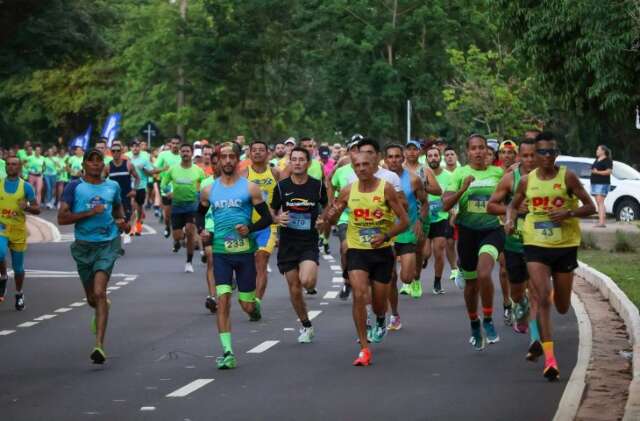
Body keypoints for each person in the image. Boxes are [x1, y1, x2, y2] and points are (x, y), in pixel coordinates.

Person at [507, 131, 595, 380]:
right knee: (543, 298)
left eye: (552, 152)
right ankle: (550, 359)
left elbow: (590, 206)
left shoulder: (567, 176)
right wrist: (510, 219)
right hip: (535, 244)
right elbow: (513, 205)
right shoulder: (526, 181)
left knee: (563, 306)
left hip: (565, 244)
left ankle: (556, 290)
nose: (548, 156)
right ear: (534, 155)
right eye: (543, 152)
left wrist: (569, 214)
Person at [320, 150, 408, 366]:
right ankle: (364, 348)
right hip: (357, 250)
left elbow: (404, 221)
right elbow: (333, 216)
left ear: (375, 164)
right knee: (359, 295)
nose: (361, 169)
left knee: (379, 303)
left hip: (382, 251)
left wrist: (386, 235)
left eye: (365, 165)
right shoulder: (349, 190)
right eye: (357, 165)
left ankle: (380, 317)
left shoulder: (385, 188)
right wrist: (326, 220)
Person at [199, 142, 272, 369]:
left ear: (238, 159)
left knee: (245, 304)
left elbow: (267, 218)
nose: (228, 161)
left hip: (244, 253)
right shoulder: (209, 190)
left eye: (232, 157)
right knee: (223, 299)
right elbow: (198, 214)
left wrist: (249, 229)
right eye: (224, 157)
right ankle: (228, 352)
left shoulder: (250, 188)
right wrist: (203, 231)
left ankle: (254, 306)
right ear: (218, 160)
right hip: (221, 252)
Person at [58, 148, 130, 364]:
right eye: (92, 161)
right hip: (83, 247)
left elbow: (118, 208)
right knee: (92, 298)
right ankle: (101, 305)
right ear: (84, 165)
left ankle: (99, 345)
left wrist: (123, 222)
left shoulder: (112, 186)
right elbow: (62, 219)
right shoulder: (74, 187)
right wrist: (90, 212)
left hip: (107, 244)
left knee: (99, 292)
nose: (96, 165)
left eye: (100, 161)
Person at [443, 134, 505, 351]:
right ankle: (474, 322)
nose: (478, 152)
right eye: (474, 148)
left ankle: (488, 318)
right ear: (467, 152)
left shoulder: (498, 173)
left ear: (487, 151)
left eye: (482, 148)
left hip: (492, 230)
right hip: (468, 232)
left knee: (484, 273)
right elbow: (444, 205)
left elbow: (512, 194)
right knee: (470, 285)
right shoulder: (460, 174)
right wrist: (463, 189)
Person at [271, 147, 328, 343]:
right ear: (290, 162)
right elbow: (271, 210)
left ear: (308, 163)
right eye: (293, 159)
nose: (297, 163)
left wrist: (323, 220)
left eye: (301, 159)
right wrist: (277, 218)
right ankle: (306, 325)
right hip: (288, 243)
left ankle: (311, 275)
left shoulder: (317, 186)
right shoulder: (281, 186)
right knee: (294, 288)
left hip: (308, 242)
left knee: (307, 282)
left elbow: (327, 207)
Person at [487, 139, 538, 334]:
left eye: (533, 155)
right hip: (514, 241)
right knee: (517, 291)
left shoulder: (548, 179)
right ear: (520, 157)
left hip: (540, 242)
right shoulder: (510, 178)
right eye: (525, 156)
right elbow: (491, 206)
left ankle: (537, 335)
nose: (530, 159)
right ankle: (519, 302)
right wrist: (512, 208)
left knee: (536, 286)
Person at [384, 144, 427, 330]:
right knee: (391, 277)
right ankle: (394, 314)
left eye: (397, 156)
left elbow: (424, 202)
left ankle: (412, 279)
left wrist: (420, 221)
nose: (393, 160)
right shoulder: (380, 180)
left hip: (407, 230)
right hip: (386, 232)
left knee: (407, 277)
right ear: (385, 160)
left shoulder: (414, 179)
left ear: (403, 158)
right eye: (390, 157)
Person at [241, 140, 280, 302]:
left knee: (261, 259)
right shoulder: (244, 174)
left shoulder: (276, 173)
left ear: (268, 153)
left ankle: (256, 302)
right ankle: (248, 294)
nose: (257, 152)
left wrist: (279, 216)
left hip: (268, 226)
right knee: (248, 266)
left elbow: (284, 197)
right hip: (247, 226)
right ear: (249, 153)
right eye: (254, 150)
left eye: (261, 150)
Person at [0, 157, 40, 310]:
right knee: (0, 253)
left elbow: (37, 209)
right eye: (8, 164)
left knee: (18, 269)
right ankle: (3, 276)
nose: (11, 167)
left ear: (20, 167)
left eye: (14, 164)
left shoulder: (26, 187)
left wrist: (27, 207)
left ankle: (19, 293)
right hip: (2, 228)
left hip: (18, 231)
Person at [162, 143, 206, 273]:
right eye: (183, 151)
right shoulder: (173, 169)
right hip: (177, 206)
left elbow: (204, 185)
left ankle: (189, 262)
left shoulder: (198, 170)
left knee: (190, 231)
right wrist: (168, 191)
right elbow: (164, 183)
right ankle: (177, 241)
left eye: (187, 151)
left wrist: (201, 194)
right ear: (180, 153)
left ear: (191, 153)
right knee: (178, 236)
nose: (185, 153)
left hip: (192, 205)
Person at [423, 146, 453, 294]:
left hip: (441, 217)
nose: (433, 158)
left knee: (439, 249)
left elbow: (450, 195)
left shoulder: (448, 175)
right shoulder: (421, 174)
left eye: (436, 155)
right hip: (424, 218)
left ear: (440, 157)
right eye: (430, 156)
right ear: (426, 158)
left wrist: (451, 210)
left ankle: (437, 282)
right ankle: (423, 259)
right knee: (426, 253)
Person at [105, 144, 139, 246]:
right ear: (111, 152)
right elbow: (101, 181)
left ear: (121, 152)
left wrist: (134, 190)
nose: (115, 153)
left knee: (126, 220)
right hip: (113, 197)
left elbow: (137, 178)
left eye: (118, 151)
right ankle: (117, 240)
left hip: (126, 195)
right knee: (116, 220)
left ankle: (127, 233)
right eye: (113, 151)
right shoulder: (108, 166)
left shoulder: (128, 164)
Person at [129, 140, 159, 236]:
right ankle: (132, 229)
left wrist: (147, 170)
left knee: (139, 208)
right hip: (130, 187)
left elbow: (151, 172)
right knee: (132, 207)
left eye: (137, 146)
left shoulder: (144, 159)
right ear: (130, 148)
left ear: (140, 148)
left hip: (141, 186)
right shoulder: (127, 159)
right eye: (133, 146)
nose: (135, 148)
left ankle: (138, 227)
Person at [155, 136, 182, 238]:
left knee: (179, 215)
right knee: (167, 216)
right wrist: (163, 168)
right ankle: (167, 226)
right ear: (170, 144)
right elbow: (155, 169)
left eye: (177, 143)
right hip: (166, 189)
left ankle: (178, 235)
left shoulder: (183, 156)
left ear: (180, 144)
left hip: (180, 190)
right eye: (173, 143)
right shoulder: (163, 155)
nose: (175, 145)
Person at [590, 145, 612, 228]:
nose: (596, 151)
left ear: (603, 151)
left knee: (600, 202)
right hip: (594, 183)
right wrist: (593, 171)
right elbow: (593, 169)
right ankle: (601, 221)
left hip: (602, 183)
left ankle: (602, 222)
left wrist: (597, 172)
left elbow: (609, 171)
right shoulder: (597, 159)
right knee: (599, 203)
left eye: (598, 149)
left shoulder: (607, 160)